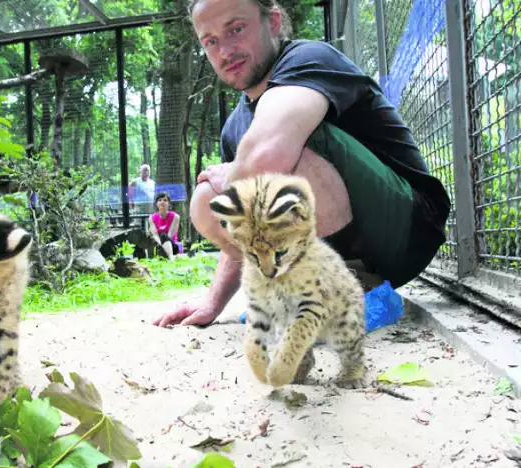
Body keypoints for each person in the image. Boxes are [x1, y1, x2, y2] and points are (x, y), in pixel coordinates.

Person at [153, 0, 450, 327]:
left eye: (236, 29)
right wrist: (212, 304)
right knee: (206, 200)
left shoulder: (308, 59)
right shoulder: (234, 128)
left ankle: (353, 285)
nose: (225, 50)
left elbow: (267, 156)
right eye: (210, 41)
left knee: (284, 149)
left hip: (407, 230)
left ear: (274, 22)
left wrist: (238, 176)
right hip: (341, 234)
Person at [148, 192, 181, 260]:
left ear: (169, 203)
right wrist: (160, 245)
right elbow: (155, 235)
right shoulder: (152, 218)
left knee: (163, 235)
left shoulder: (175, 217)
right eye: (159, 200)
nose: (162, 202)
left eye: (165, 200)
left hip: (172, 246)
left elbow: (170, 235)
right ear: (156, 203)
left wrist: (163, 245)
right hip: (159, 245)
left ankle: (171, 257)